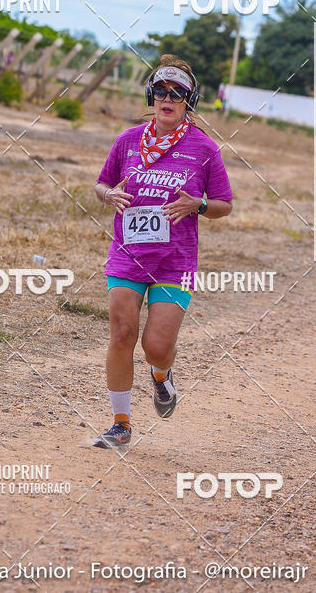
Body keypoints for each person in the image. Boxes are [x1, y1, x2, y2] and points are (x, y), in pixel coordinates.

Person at [93, 54, 233, 448]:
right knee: (122, 333)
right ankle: (121, 424)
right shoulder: (127, 140)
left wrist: (198, 205)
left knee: (155, 346)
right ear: (151, 95)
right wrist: (110, 195)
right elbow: (101, 185)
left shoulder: (205, 149)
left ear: (191, 100)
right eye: (160, 91)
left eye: (177, 93)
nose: (167, 98)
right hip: (127, 253)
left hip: (176, 262)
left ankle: (161, 376)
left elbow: (224, 205)